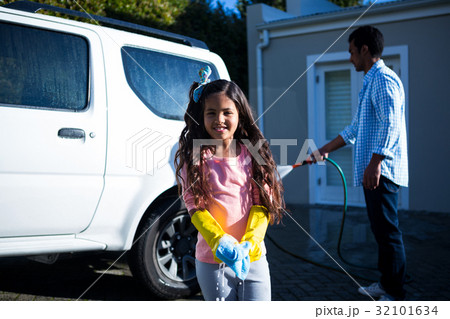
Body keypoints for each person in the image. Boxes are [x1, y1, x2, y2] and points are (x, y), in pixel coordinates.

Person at [310, 26, 408, 301]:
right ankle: (386, 283)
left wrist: (375, 163)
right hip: (375, 170)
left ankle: (395, 293)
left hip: (382, 172)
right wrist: (324, 150)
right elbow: (355, 128)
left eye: (352, 52)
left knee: (388, 231)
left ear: (365, 49)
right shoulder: (371, 81)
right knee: (380, 229)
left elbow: (392, 125)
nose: (350, 58)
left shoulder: (384, 80)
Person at [175, 66, 285, 301]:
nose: (219, 120)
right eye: (211, 113)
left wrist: (249, 244)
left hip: (253, 257)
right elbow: (195, 205)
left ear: (240, 115)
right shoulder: (195, 157)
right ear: (201, 116)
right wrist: (219, 240)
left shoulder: (253, 153)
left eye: (227, 112)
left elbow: (261, 202)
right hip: (213, 261)